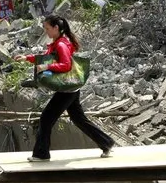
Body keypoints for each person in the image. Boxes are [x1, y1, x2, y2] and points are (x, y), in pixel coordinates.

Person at [13, 14, 115, 162]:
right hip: (71, 88)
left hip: (66, 90)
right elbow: (47, 58)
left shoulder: (61, 44)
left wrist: (47, 66)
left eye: (47, 28)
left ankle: (41, 154)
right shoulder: (58, 42)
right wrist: (27, 58)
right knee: (78, 119)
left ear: (56, 28)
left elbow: (65, 65)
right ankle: (106, 143)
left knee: (46, 119)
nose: (45, 31)